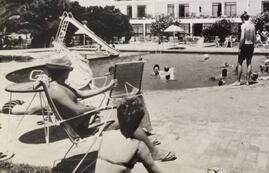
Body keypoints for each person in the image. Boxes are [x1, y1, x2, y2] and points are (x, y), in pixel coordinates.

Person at [45, 57, 176, 162]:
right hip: (85, 127)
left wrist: (107, 87)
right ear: (63, 72)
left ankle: (144, 140)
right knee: (129, 119)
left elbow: (82, 94)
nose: (69, 73)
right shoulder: (57, 90)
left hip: (88, 120)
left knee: (128, 109)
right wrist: (93, 108)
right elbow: (76, 110)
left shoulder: (59, 85)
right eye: (68, 71)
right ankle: (154, 152)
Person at [95, 97, 162, 173]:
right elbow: (153, 170)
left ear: (118, 117)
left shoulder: (106, 136)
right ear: (139, 120)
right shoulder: (139, 146)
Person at [237, 12, 256, 85]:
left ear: (243, 19)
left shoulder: (243, 25)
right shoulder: (253, 26)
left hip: (244, 44)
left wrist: (239, 47)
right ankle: (247, 81)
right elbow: (254, 38)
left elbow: (242, 37)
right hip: (251, 45)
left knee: (240, 63)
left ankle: (238, 81)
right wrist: (253, 45)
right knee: (249, 63)